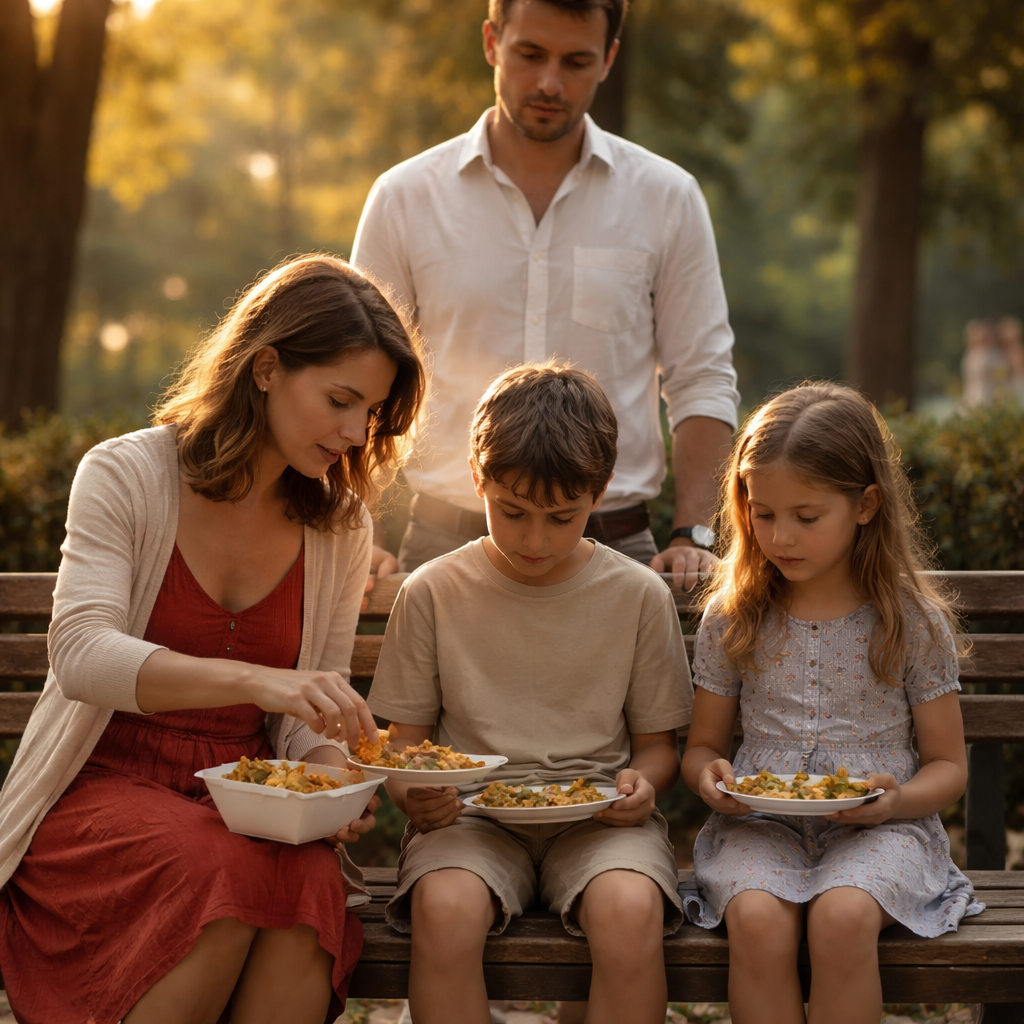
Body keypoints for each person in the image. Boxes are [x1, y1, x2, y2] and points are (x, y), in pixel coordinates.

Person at [0, 256, 425, 1024]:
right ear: (266, 368)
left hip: (246, 804)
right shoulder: (127, 475)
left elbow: (307, 710)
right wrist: (256, 680)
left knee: (312, 884)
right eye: (340, 400)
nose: (356, 432)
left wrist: (332, 781)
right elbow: (81, 655)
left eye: (372, 412)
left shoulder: (341, 524)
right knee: (219, 867)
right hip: (102, 791)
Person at [351, 0, 739, 590]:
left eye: (576, 61)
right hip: (443, 542)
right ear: (491, 42)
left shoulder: (667, 198)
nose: (550, 83)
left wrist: (695, 534)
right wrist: (364, 535)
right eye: (530, 55)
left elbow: (703, 377)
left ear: (608, 58)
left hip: (617, 544)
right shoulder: (404, 198)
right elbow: (362, 378)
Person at [366, 364, 693, 1024]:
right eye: (512, 512)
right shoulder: (431, 592)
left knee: (630, 914)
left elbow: (657, 748)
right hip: (470, 819)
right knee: (444, 908)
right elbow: (401, 744)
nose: (535, 540)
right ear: (477, 477)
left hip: (598, 817)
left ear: (600, 492)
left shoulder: (637, 596)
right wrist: (413, 794)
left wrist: (641, 785)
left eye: (561, 517)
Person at [680, 383, 983, 1024]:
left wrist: (896, 800)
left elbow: (948, 767)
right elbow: (703, 747)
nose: (780, 536)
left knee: (843, 918)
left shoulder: (910, 622)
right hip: (760, 826)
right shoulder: (734, 616)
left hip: (886, 831)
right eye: (762, 514)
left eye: (806, 516)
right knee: (758, 921)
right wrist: (710, 779)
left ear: (866, 505)